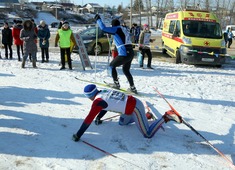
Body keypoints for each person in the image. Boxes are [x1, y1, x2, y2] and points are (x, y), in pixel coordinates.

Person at [72, 84, 182, 142]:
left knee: (147, 134)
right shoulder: (102, 92)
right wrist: (99, 117)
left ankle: (167, 116)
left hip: (135, 107)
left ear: (89, 96)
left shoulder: (97, 102)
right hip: (129, 106)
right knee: (122, 123)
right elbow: (105, 106)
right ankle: (146, 116)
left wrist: (78, 135)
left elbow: (88, 119)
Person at [94, 14, 137, 94]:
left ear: (113, 25)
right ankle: (132, 87)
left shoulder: (117, 29)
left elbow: (103, 28)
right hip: (130, 52)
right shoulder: (124, 28)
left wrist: (98, 20)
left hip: (124, 53)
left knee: (112, 65)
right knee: (126, 70)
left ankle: (116, 84)